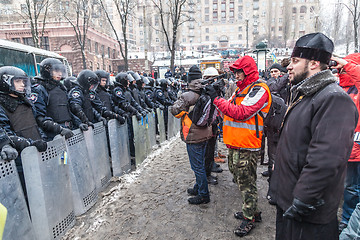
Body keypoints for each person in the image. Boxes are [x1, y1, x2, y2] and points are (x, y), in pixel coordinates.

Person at [270, 33, 358, 240]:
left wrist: (303, 199)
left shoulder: (334, 99)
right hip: (290, 202)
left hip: (308, 211)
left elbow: (326, 159)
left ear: (315, 64)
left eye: (295, 61)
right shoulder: (305, 94)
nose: (289, 67)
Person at [209, 56, 271, 237]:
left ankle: (249, 217)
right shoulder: (240, 90)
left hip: (248, 146)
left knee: (246, 183)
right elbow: (226, 109)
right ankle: (253, 211)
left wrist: (216, 99)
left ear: (248, 71)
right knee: (239, 179)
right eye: (234, 71)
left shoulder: (259, 89)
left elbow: (241, 113)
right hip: (234, 144)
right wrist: (217, 99)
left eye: (238, 71)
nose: (235, 75)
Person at [0, 66, 48, 195]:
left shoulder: (25, 101)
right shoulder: (2, 105)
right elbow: (5, 133)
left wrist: (42, 139)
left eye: (23, 81)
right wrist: (30, 143)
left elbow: (35, 124)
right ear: (5, 82)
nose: (22, 85)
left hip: (34, 152)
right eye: (17, 81)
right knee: (26, 192)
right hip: (19, 159)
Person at [171, 65, 213, 205]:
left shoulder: (187, 95)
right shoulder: (206, 91)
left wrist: (182, 110)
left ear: (189, 79)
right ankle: (198, 187)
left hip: (193, 136)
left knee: (197, 167)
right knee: (200, 163)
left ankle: (203, 194)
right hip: (206, 133)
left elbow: (174, 110)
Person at [331, 53, 360, 233]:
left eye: (344, 67)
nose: (340, 69)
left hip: (356, 149)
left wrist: (343, 61)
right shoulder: (342, 90)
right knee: (349, 188)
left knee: (352, 188)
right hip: (347, 149)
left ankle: (349, 220)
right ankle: (349, 220)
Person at [31, 58, 75, 141]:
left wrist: (79, 123)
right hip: (53, 133)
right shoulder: (40, 89)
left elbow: (69, 110)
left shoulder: (61, 88)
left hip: (67, 129)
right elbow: (39, 117)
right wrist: (59, 129)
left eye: (61, 71)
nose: (59, 74)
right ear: (47, 71)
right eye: (56, 71)